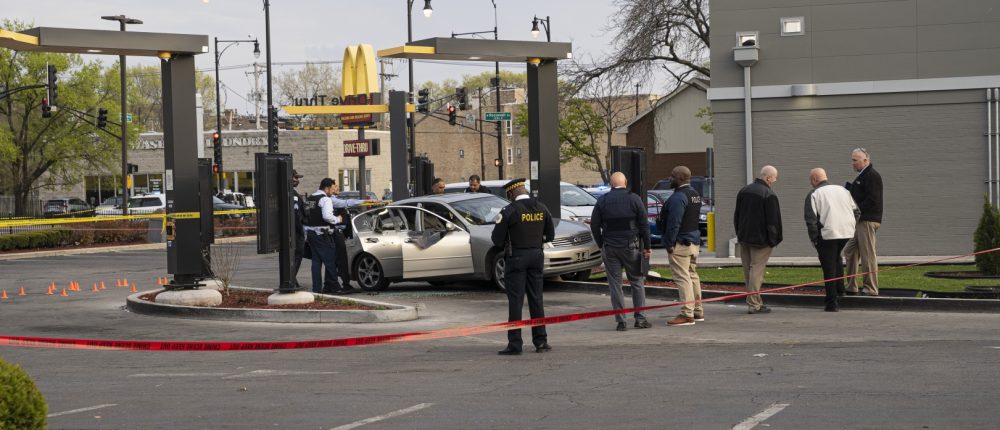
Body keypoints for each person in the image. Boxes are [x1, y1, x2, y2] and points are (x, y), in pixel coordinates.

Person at [492, 178, 555, 355]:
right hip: (536, 256)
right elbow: (550, 235)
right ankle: (541, 341)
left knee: (516, 301)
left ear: (511, 194)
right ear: (525, 191)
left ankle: (515, 344)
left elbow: (497, 240)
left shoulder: (509, 211)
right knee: (536, 299)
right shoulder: (542, 207)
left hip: (517, 258)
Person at [590, 171, 652, 331]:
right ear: (625, 182)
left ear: (611, 184)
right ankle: (640, 319)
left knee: (615, 285)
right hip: (631, 246)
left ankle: (621, 322)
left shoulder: (602, 200)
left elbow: (594, 225)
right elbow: (644, 225)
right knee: (637, 282)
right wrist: (647, 247)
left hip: (610, 248)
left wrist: (601, 244)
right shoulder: (634, 199)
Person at [805, 168, 860, 312]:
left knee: (828, 266)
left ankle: (831, 302)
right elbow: (857, 211)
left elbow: (811, 219)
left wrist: (814, 239)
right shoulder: (843, 191)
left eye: (810, 180)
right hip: (846, 232)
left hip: (827, 234)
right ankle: (840, 290)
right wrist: (850, 225)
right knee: (836, 259)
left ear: (814, 179)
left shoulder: (814, 194)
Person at [658, 166, 704, 326]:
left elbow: (674, 222)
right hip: (693, 241)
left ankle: (687, 314)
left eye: (672, 176)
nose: (669, 178)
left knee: (682, 278)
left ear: (680, 178)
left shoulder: (678, 197)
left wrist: (669, 243)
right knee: (692, 276)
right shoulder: (694, 194)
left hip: (680, 243)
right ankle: (697, 310)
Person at [734, 165, 783, 315]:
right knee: (756, 270)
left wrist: (739, 234)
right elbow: (773, 221)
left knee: (748, 270)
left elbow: (737, 216)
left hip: (744, 237)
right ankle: (754, 304)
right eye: (774, 178)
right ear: (768, 178)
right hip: (761, 240)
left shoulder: (744, 191)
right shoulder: (769, 194)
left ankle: (753, 301)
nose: (775, 180)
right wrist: (774, 240)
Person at [303, 178, 364, 294]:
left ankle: (317, 288)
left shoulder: (310, 198)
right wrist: (338, 219)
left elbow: (306, 217)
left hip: (311, 234)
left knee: (316, 262)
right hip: (323, 234)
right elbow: (327, 216)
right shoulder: (325, 199)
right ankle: (335, 287)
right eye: (332, 188)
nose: (333, 191)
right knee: (330, 261)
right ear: (327, 188)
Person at [843, 148, 883, 296]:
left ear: (865, 161)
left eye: (855, 160)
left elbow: (873, 199)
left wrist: (856, 211)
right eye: (852, 160)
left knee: (867, 254)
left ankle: (871, 288)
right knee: (850, 251)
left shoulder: (871, 175)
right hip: (861, 221)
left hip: (867, 220)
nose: (852, 163)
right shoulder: (863, 176)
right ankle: (851, 286)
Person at [290, 169, 306, 288]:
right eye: (295, 178)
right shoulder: (293, 195)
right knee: (297, 255)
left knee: (294, 256)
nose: (297, 180)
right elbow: (295, 214)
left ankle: (292, 280)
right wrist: (301, 230)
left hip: (293, 230)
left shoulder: (291, 192)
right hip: (295, 230)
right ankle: (291, 280)